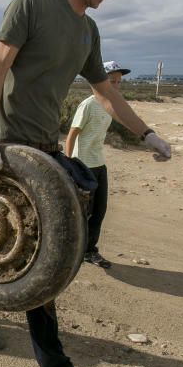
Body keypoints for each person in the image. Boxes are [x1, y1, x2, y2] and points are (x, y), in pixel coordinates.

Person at [0, 0, 172, 367]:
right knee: (41, 255)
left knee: (9, 246)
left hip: (44, 148)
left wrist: (146, 133)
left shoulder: (88, 33)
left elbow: (106, 93)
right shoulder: (31, 5)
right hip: (6, 150)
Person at [65, 60, 133, 269]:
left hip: (99, 163)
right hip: (83, 164)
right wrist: (70, 167)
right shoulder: (88, 105)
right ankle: (79, 251)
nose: (115, 85)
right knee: (84, 211)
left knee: (100, 210)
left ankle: (88, 251)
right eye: (111, 81)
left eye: (118, 82)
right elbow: (71, 135)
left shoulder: (110, 105)